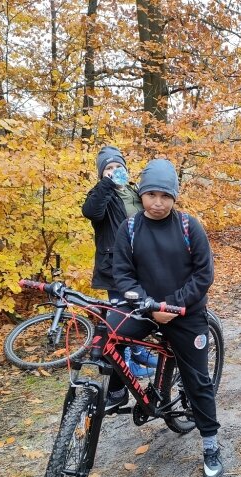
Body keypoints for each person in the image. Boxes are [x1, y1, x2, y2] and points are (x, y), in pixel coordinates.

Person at [110, 159, 223, 477]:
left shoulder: (190, 228)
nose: (157, 202)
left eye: (164, 195)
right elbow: (123, 274)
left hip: (186, 313)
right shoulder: (129, 229)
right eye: (151, 195)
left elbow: (204, 275)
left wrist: (170, 306)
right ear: (141, 194)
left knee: (197, 380)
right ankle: (115, 392)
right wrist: (146, 303)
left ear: (174, 197)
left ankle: (211, 445)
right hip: (145, 308)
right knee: (108, 334)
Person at [82, 146, 156, 377]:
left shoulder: (135, 191)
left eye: (118, 167)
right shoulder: (101, 194)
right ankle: (125, 366)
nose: (114, 171)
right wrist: (107, 184)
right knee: (121, 316)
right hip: (114, 265)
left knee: (139, 310)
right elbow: (92, 212)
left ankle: (139, 353)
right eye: (109, 168)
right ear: (102, 173)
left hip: (140, 262)